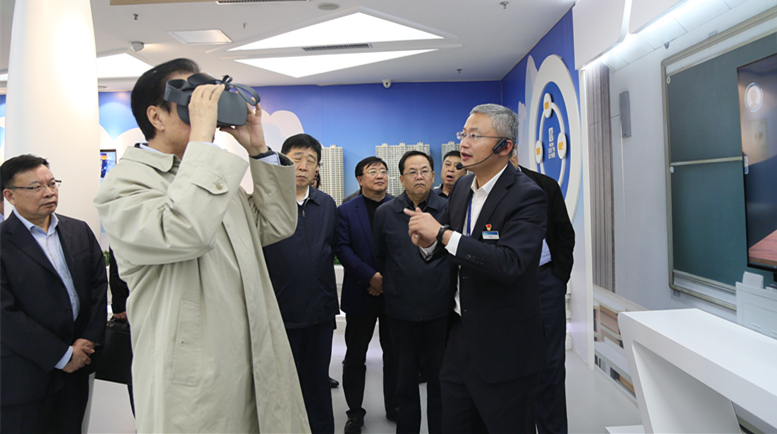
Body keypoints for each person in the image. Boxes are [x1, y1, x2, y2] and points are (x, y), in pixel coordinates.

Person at [93, 58, 309, 433]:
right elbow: (183, 233)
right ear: (156, 116)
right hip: (195, 370)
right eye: (191, 100)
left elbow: (275, 224)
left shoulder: (208, 174)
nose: (203, 107)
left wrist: (258, 149)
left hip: (250, 351)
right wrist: (202, 143)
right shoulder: (125, 184)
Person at [405, 103, 548, 433]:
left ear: (505, 147)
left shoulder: (527, 196)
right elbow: (450, 245)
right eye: (463, 134)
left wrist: (442, 235)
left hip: (506, 347)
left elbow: (510, 263)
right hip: (459, 338)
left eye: (475, 136)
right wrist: (427, 244)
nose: (464, 143)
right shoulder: (461, 189)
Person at [1, 154, 108, 433]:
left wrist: (88, 340)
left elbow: (98, 287)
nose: (49, 192)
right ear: (10, 196)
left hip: (77, 370)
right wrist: (62, 355)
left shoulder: (78, 230)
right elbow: (5, 314)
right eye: (36, 187)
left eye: (52, 183)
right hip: (25, 376)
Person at [263, 133, 339, 434]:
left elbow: (330, 248)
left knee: (318, 382)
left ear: (317, 168)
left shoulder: (326, 204)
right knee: (283, 385)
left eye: (311, 161)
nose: (304, 166)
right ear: (283, 161)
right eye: (297, 159)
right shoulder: (268, 203)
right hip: (282, 313)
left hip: (321, 313)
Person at [373, 151, 450, 434]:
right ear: (402, 179)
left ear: (433, 175)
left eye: (425, 170)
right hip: (400, 311)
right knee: (404, 381)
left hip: (441, 310)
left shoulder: (449, 209)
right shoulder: (385, 213)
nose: (419, 176)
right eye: (412, 172)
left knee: (441, 380)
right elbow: (380, 256)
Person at [511, 155, 575, 434]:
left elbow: (564, 233)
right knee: (509, 367)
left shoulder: (544, 185)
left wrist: (558, 277)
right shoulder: (475, 190)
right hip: (502, 285)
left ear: (510, 151)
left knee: (550, 365)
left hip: (544, 281)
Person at [337, 156, 398, 433]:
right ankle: (354, 413)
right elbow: (343, 249)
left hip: (393, 294)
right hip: (360, 293)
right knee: (355, 356)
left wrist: (385, 280)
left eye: (383, 171)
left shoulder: (400, 206)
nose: (379, 175)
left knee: (394, 354)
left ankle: (394, 406)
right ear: (360, 179)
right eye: (372, 171)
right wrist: (370, 278)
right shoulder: (346, 211)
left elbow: (404, 249)